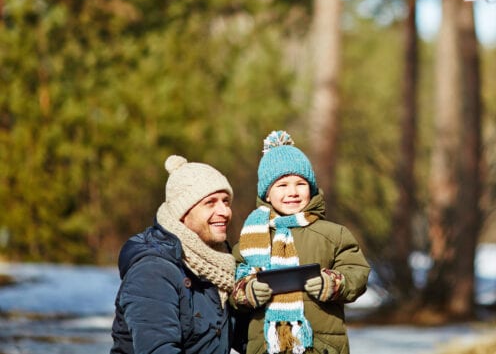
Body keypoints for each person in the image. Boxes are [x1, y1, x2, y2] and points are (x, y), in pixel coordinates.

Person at [231, 130, 370, 354]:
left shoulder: (334, 234)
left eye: (301, 184)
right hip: (267, 346)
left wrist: (333, 284)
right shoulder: (251, 238)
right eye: (282, 185)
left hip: (320, 346)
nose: (293, 192)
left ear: (312, 188)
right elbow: (233, 283)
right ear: (267, 194)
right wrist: (247, 292)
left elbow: (357, 272)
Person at [111, 155, 238, 354]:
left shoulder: (222, 268)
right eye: (210, 203)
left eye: (226, 201)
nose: (224, 211)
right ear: (183, 212)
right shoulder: (153, 271)